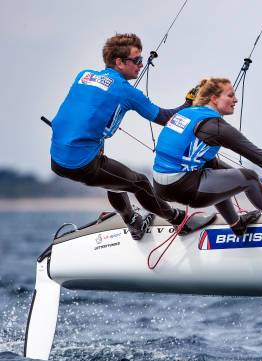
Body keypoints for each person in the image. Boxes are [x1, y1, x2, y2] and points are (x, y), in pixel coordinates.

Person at [50, 33, 213, 240]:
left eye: (141, 60)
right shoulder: (125, 91)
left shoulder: (84, 75)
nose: (141, 65)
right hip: (81, 163)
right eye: (136, 60)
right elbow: (165, 118)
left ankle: (133, 222)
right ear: (119, 62)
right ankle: (180, 221)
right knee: (140, 183)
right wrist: (189, 102)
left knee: (114, 178)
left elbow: (81, 111)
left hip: (57, 158)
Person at [152, 77, 262, 236]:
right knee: (249, 177)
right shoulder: (214, 126)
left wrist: (256, 185)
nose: (236, 100)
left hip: (161, 186)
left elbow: (211, 164)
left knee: (214, 167)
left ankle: (237, 225)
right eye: (230, 95)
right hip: (184, 187)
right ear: (213, 98)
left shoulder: (188, 113)